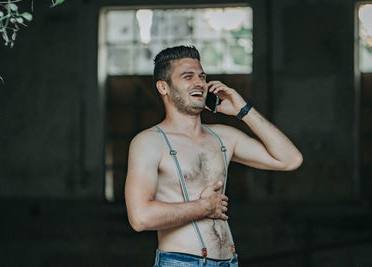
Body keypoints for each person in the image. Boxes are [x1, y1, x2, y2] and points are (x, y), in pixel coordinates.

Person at [125, 45, 302, 267]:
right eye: (188, 77)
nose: (199, 82)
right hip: (181, 263)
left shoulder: (224, 138)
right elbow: (140, 217)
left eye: (202, 76)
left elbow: (290, 159)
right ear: (164, 87)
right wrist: (203, 208)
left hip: (229, 262)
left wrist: (243, 111)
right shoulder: (149, 141)